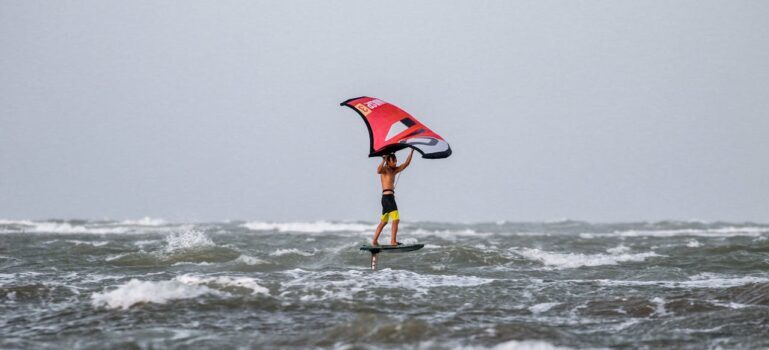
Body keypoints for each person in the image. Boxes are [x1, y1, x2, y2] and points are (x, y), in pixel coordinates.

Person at [372, 149, 414, 246]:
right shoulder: (385, 170)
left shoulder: (394, 170)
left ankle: (374, 241)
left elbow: (406, 163)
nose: (395, 163)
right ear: (389, 161)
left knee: (384, 222)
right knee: (396, 219)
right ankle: (393, 241)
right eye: (394, 161)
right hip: (388, 198)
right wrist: (383, 160)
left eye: (396, 161)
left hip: (387, 198)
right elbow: (378, 170)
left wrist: (411, 151)